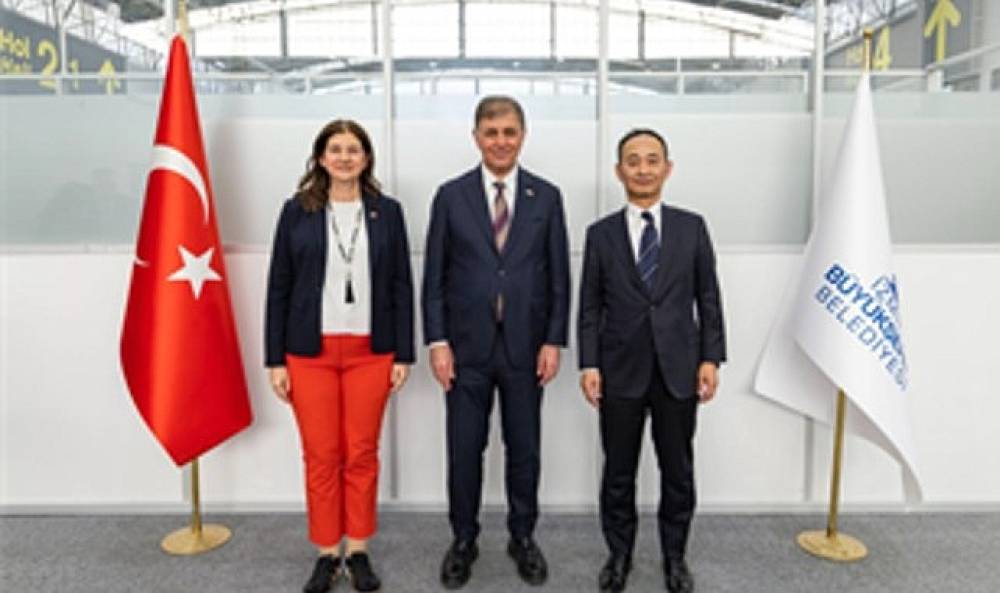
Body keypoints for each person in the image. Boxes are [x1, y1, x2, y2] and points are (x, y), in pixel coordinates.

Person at [421, 96, 570, 589]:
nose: (501, 141)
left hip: (527, 348)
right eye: (491, 132)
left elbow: (559, 277)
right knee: (465, 451)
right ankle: (463, 540)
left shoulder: (546, 197)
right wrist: (437, 341)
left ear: (522, 136)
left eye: (509, 132)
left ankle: (522, 537)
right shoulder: (451, 196)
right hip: (465, 351)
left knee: (524, 450)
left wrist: (554, 340)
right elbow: (434, 276)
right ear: (476, 137)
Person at [265, 120, 415, 593]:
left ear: (366, 158)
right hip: (310, 352)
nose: (345, 157)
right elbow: (279, 286)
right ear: (321, 157)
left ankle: (359, 550)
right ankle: (328, 552)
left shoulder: (388, 212)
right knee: (321, 455)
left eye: (353, 149)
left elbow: (401, 285)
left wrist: (404, 353)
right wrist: (275, 360)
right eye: (336, 149)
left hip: (372, 350)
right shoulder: (297, 211)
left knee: (362, 452)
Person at [577, 129, 726, 593]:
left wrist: (711, 358)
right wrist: (589, 364)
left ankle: (675, 558)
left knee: (677, 472)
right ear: (619, 170)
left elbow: (708, 297)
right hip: (619, 371)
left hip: (679, 370)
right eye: (633, 161)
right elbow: (589, 307)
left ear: (667, 167)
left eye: (652, 160)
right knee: (618, 473)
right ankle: (619, 556)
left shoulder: (691, 227)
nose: (643, 168)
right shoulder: (600, 234)